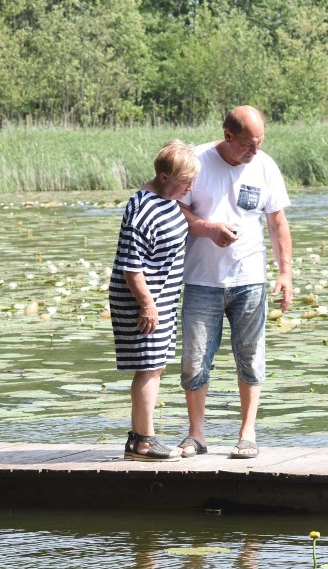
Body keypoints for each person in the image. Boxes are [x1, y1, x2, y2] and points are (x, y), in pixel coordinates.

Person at [177, 105, 293, 459]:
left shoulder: (265, 165)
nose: (254, 151)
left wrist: (285, 272)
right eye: (248, 145)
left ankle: (247, 433)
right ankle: (196, 435)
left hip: (250, 280)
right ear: (228, 136)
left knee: (251, 357)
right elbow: (175, 210)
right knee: (195, 360)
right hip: (201, 280)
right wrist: (208, 229)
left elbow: (276, 222)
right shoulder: (195, 162)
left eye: (259, 143)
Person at [109, 139, 199, 461]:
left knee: (155, 367)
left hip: (160, 298)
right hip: (142, 301)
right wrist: (148, 305)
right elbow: (130, 268)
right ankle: (145, 442)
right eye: (185, 182)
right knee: (149, 368)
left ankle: (137, 440)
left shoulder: (166, 199)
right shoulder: (142, 208)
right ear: (164, 177)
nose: (190, 188)